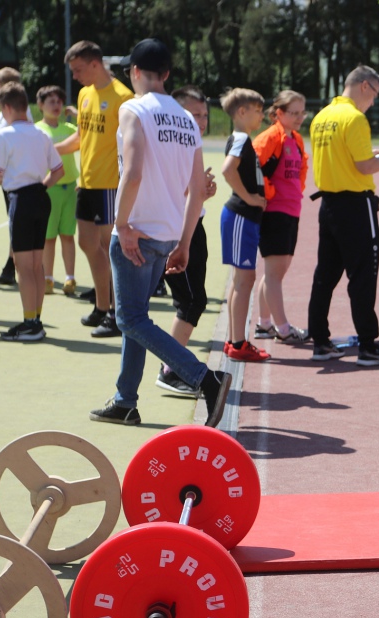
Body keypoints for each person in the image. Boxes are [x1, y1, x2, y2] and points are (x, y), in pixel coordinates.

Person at [89, 38, 231, 428]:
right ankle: (125, 400)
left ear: (134, 72)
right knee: (138, 317)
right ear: (167, 74)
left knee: (130, 318)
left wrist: (122, 224)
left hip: (138, 229)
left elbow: (131, 173)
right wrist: (183, 241)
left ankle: (206, 379)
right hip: (168, 231)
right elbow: (197, 189)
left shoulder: (133, 109)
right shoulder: (187, 118)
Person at [306, 64, 379, 365]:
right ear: (364, 87)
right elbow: (364, 167)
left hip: (329, 205)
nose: (373, 102)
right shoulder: (355, 119)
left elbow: (347, 158)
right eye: (374, 94)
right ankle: (368, 346)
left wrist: (372, 156)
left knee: (325, 275)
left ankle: (320, 340)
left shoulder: (322, 117)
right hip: (357, 206)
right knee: (363, 275)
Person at [56, 40, 134, 339]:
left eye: (78, 70)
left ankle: (117, 314)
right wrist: (49, 149)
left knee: (111, 250)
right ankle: (102, 307)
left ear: (94, 64)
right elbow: (80, 136)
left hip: (110, 185)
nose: (75, 76)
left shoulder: (123, 97)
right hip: (85, 183)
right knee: (88, 245)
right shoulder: (85, 94)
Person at [0, 82, 65, 341]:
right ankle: (37, 319)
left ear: (7, 108)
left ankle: (30, 322)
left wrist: (9, 182)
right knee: (36, 264)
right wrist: (40, 185)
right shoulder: (41, 134)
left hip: (20, 198)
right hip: (41, 197)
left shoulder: (5, 134)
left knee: (23, 266)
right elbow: (58, 170)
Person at [156, 85, 218, 396]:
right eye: (195, 114)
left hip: (193, 226)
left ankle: (172, 368)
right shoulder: (172, 146)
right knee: (191, 301)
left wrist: (201, 192)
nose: (202, 120)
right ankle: (170, 369)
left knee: (192, 301)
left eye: (205, 114)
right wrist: (196, 191)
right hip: (179, 232)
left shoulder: (189, 145)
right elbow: (167, 192)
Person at [252, 89, 310, 344]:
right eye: (294, 113)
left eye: (302, 112)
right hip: (273, 211)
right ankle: (283, 329)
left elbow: (301, 171)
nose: (300, 117)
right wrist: (266, 194)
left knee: (277, 271)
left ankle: (264, 325)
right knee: (275, 272)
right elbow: (251, 168)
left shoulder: (295, 138)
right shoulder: (269, 139)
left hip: (291, 209)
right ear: (279, 113)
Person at [219, 87, 271, 363]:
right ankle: (238, 342)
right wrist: (249, 197)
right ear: (242, 112)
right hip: (240, 216)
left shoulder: (242, 139)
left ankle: (233, 339)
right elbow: (228, 170)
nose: (262, 115)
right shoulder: (240, 138)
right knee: (245, 280)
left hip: (243, 218)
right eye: (258, 110)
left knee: (241, 280)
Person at [36, 85, 80, 296]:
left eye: (59, 101)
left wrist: (77, 114)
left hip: (70, 187)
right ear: (40, 105)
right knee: (48, 237)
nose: (56, 105)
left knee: (68, 235)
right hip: (48, 188)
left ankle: (70, 278)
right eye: (51, 101)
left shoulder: (69, 129)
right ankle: (47, 278)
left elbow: (87, 131)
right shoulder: (36, 130)